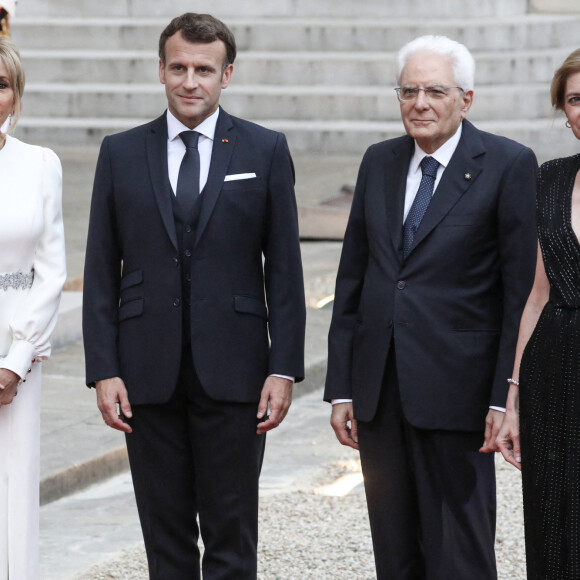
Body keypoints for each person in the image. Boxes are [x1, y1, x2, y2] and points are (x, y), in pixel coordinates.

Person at [82, 12, 305, 580]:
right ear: (160, 70)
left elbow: (284, 270)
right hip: (145, 374)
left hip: (237, 374)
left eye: (204, 69)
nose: (190, 81)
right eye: (178, 67)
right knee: (165, 538)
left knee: (232, 538)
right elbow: (101, 270)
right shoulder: (121, 152)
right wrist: (103, 369)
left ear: (227, 75)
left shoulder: (265, 150)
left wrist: (284, 370)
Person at [325, 35, 538, 579]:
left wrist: (503, 398)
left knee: (458, 553)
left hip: (460, 393)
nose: (420, 103)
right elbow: (355, 279)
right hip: (379, 391)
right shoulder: (379, 161)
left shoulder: (508, 164)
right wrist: (343, 386)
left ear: (466, 99)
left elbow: (519, 294)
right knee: (394, 551)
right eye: (409, 90)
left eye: (435, 91)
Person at [496, 48, 580, 579]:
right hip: (553, 374)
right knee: (555, 520)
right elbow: (536, 295)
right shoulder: (549, 179)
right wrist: (513, 399)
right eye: (575, 99)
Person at [0, 37, 66, 579]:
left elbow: (51, 271)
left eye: (1, 84)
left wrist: (15, 359)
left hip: (15, 343)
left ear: (16, 96)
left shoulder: (40, 165)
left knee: (14, 486)